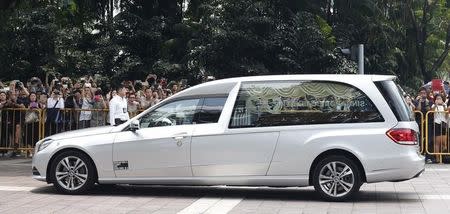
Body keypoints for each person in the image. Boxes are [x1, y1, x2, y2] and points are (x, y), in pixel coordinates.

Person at [431, 94, 447, 163]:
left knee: (444, 143)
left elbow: (446, 115)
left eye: (440, 98)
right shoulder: (433, 105)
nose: (439, 100)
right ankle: (437, 158)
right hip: (436, 123)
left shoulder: (445, 105)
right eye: (437, 98)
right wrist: (436, 104)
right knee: (437, 143)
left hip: (443, 123)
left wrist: (443, 105)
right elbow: (431, 112)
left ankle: (442, 157)